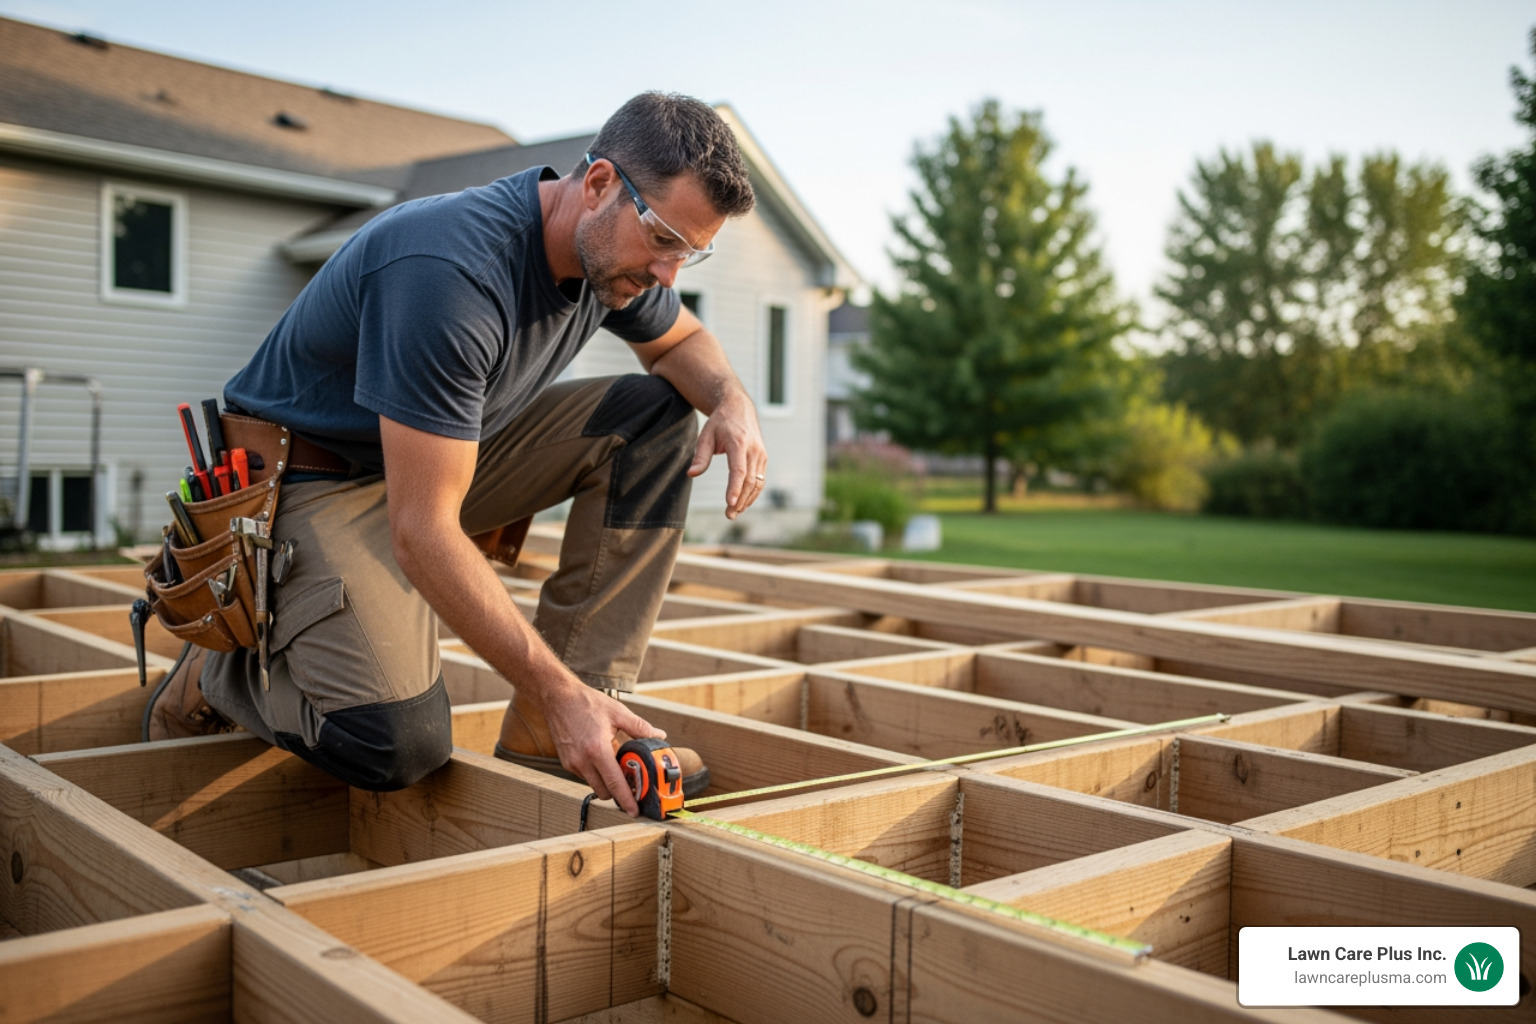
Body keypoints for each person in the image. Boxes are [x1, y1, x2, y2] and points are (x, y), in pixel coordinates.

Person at [144, 92, 764, 817]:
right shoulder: (452, 270)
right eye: (664, 239)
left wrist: (731, 400)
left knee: (657, 416)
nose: (669, 274)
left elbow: (685, 343)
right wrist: (548, 680)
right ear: (597, 185)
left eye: (690, 251)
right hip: (310, 481)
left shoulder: (611, 259)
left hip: (435, 458)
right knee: (393, 742)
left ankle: (567, 720)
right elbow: (423, 531)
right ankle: (221, 673)